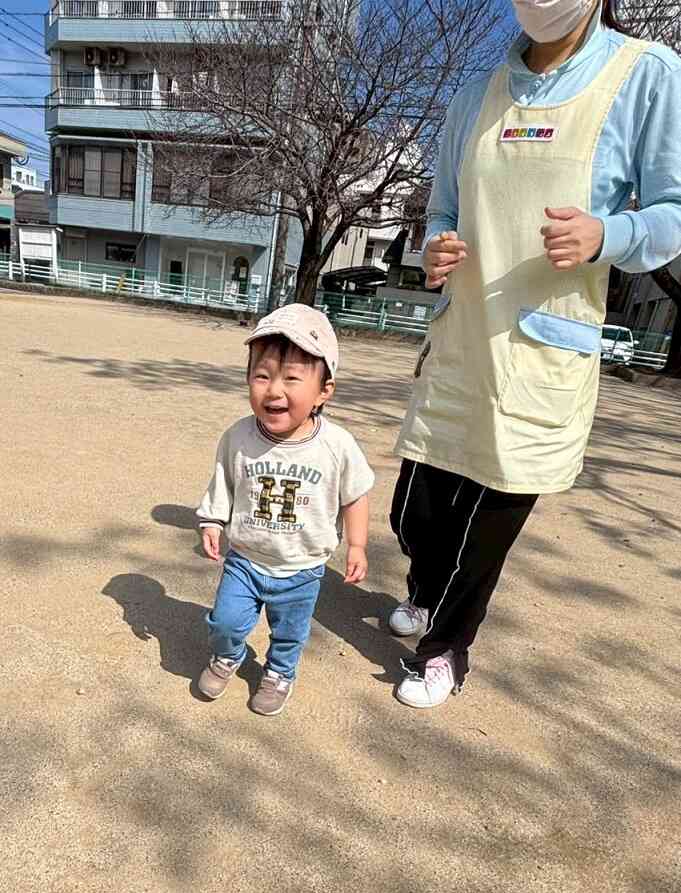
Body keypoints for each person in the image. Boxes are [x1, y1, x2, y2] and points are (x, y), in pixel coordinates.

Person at [389, 0, 681, 708]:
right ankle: (426, 593)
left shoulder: (646, 75)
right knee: (415, 508)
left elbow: (673, 211)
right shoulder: (473, 97)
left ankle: (445, 650)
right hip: (462, 333)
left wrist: (606, 234)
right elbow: (441, 212)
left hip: (544, 340)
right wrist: (435, 246)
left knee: (490, 511)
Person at [197, 304, 374, 716]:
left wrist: (358, 546)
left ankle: (279, 673)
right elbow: (224, 480)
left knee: (289, 633)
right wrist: (212, 519)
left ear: (324, 390)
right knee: (225, 621)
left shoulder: (337, 446)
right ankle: (227, 655)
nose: (274, 390)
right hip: (246, 557)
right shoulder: (238, 436)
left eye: (292, 378)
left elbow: (355, 495)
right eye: (262, 376)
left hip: (302, 568)